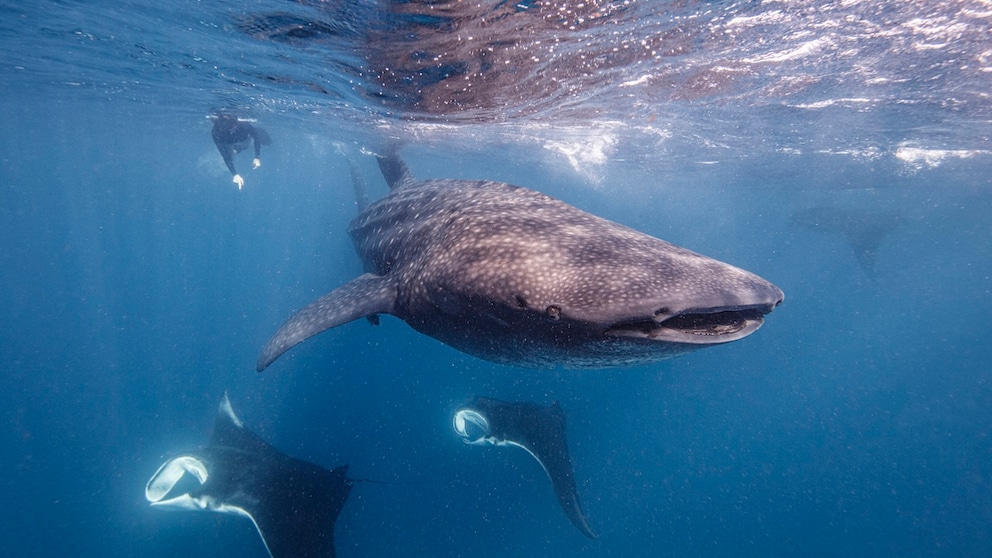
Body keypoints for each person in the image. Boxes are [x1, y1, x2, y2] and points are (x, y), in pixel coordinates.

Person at [210, 113, 271, 190]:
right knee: (230, 156)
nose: (224, 126)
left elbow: (256, 136)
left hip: (245, 140)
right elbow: (224, 154)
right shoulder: (216, 132)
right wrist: (234, 174)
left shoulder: (243, 125)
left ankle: (238, 149)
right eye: (222, 123)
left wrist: (257, 157)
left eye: (227, 123)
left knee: (265, 142)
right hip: (232, 143)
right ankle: (237, 149)